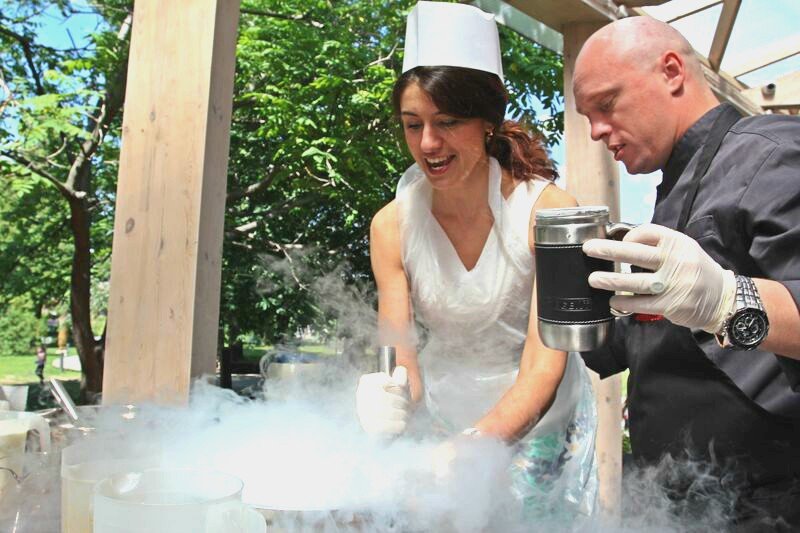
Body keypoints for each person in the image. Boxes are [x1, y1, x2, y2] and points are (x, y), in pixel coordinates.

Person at [356, 1, 597, 521]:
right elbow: (403, 357)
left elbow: (543, 366)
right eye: (412, 124)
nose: (428, 143)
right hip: (446, 420)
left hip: (540, 426)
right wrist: (390, 396)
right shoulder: (391, 226)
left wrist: (475, 445)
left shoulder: (549, 213)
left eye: (447, 122)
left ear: (487, 122)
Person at [573, 16, 800, 528]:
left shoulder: (774, 155)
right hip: (674, 499)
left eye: (606, 105)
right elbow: (651, 344)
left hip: (769, 501)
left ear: (672, 71)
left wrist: (726, 301)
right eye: (587, 117)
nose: (596, 131)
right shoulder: (673, 190)